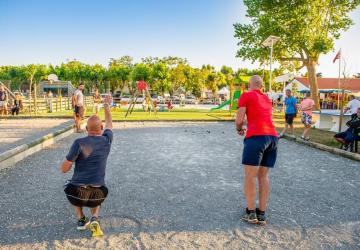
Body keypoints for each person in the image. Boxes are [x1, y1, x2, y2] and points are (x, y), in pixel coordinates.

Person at [61, 94, 113, 237]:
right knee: (100, 185)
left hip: (77, 195)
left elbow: (64, 169)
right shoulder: (106, 141)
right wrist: (107, 107)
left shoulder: (78, 143)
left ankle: (81, 219)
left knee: (68, 183)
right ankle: (95, 217)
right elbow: (110, 124)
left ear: (86, 129)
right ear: (101, 128)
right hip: (98, 195)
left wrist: (70, 161)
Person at [235, 75, 278, 225]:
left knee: (250, 176)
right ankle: (262, 213)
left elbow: (239, 119)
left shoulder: (246, 95)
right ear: (261, 86)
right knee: (263, 176)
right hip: (272, 138)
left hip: (256, 138)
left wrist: (239, 129)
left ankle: (251, 213)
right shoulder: (267, 99)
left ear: (250, 84)